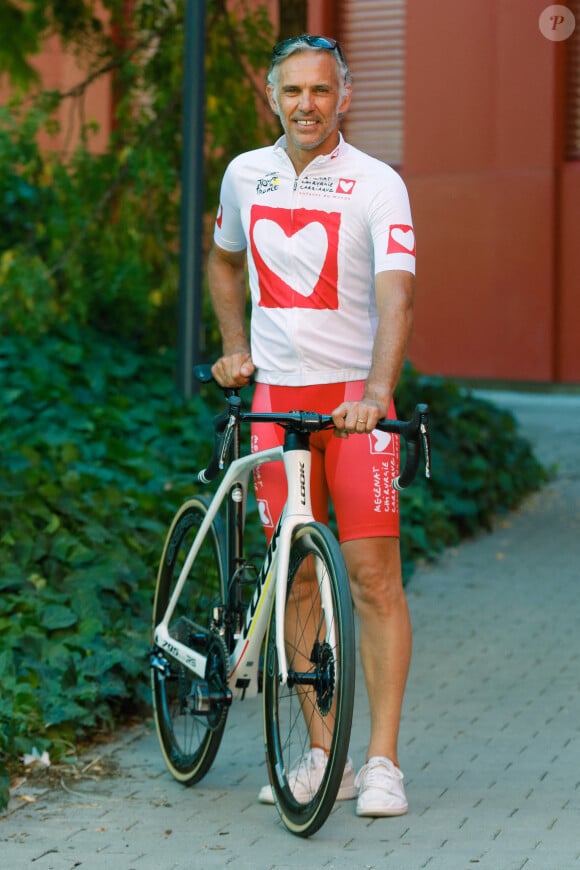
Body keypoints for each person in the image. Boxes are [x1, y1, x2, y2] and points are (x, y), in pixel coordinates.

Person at [208, 34, 416, 818]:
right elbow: (225, 259)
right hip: (274, 406)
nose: (306, 104)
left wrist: (377, 390)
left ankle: (384, 762)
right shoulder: (243, 174)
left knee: (371, 580)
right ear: (272, 98)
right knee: (295, 575)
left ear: (345, 97)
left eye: (321, 91)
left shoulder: (377, 183)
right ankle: (325, 757)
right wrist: (233, 346)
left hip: (354, 408)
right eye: (292, 91)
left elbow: (398, 293)